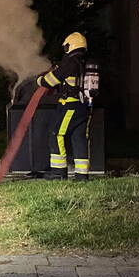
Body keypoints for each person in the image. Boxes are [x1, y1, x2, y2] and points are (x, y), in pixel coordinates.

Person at [36, 32, 91, 181]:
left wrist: (39, 79)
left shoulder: (70, 63)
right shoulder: (87, 62)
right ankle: (82, 175)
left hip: (70, 106)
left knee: (56, 135)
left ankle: (58, 173)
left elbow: (49, 81)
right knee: (79, 138)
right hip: (85, 107)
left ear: (69, 46)